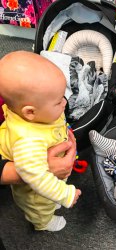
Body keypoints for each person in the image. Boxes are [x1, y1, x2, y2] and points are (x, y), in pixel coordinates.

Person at [0, 51, 81, 232]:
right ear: (30, 112)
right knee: (41, 207)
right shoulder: (27, 142)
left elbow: (54, 119)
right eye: (58, 101)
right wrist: (64, 194)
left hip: (51, 174)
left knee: (50, 195)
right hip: (35, 192)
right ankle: (43, 222)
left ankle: (52, 199)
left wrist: (64, 130)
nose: (65, 103)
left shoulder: (39, 114)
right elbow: (37, 178)